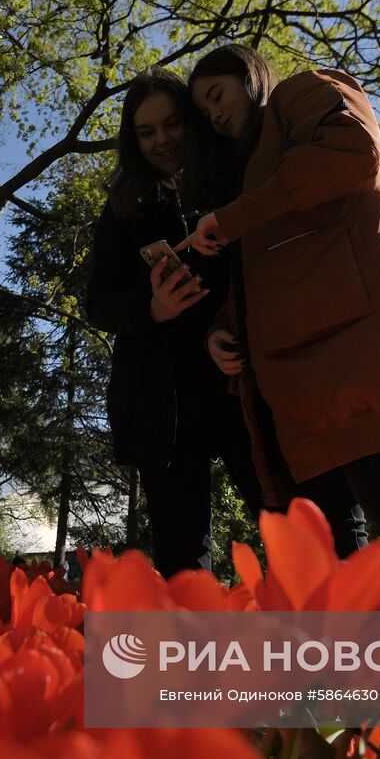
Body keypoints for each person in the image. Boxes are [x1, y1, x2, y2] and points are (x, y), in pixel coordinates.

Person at [177, 43, 380, 558]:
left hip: (358, 363)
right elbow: (271, 271)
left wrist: (235, 217)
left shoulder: (301, 94)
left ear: (250, 78)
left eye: (216, 95)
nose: (214, 113)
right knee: (336, 560)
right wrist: (220, 329)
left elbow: (354, 150)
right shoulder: (251, 177)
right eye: (203, 110)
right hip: (300, 391)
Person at [84, 66, 263, 578]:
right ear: (131, 138)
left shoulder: (232, 181)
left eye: (171, 124)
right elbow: (96, 301)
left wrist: (226, 330)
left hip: (236, 385)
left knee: (281, 518)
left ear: (191, 121)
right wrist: (152, 308)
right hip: (161, 402)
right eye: (146, 131)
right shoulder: (123, 208)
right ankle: (194, 654)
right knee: (183, 553)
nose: (161, 140)